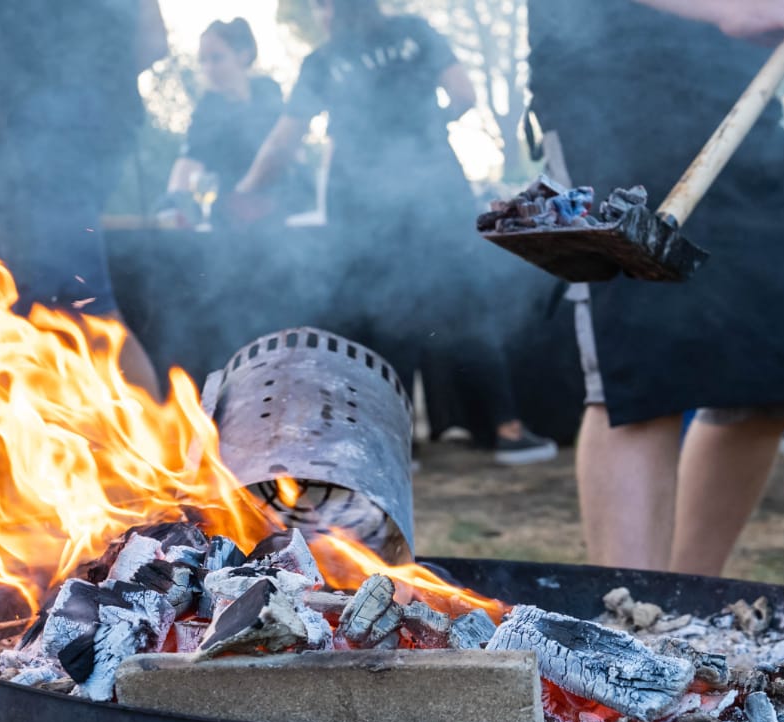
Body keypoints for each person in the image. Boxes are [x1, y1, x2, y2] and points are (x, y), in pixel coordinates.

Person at [526, 0, 784, 571]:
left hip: (735, 83)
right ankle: (632, 626)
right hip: (609, 79)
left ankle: (688, 610)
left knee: (782, 361)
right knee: (643, 366)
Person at [234, 0, 557, 465]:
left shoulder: (323, 60)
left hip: (362, 202)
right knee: (464, 303)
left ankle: (396, 443)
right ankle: (508, 431)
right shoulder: (415, 31)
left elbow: (285, 140)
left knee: (387, 315)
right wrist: (428, 128)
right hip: (436, 185)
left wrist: (247, 188)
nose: (319, 14)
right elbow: (464, 94)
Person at [0, 0, 165, 396]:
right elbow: (153, 41)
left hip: (58, 142)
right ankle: (50, 445)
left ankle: (166, 451)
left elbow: (152, 40)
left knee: (85, 305)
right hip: (15, 139)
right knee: (28, 305)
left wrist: (87, 86)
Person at [160, 19, 284, 227]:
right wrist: (173, 204)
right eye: (202, 61)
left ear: (243, 55)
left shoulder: (268, 91)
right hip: (229, 219)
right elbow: (190, 160)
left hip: (277, 212)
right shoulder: (207, 108)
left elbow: (284, 146)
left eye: (216, 58)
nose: (208, 68)